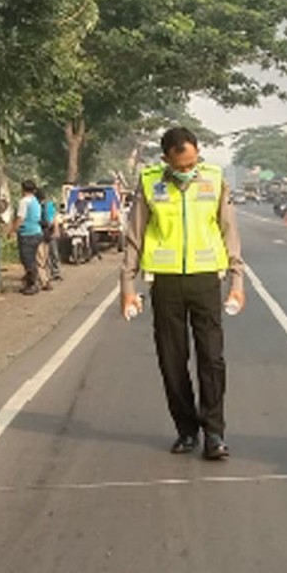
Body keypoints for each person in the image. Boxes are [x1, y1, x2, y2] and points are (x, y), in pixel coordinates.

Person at [121, 127, 246, 460]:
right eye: (181, 165)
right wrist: (127, 286)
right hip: (165, 282)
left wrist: (237, 281)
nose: (189, 170)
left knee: (212, 358)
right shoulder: (149, 182)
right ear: (166, 160)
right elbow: (134, 237)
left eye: (193, 162)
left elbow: (229, 229)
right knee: (172, 360)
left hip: (206, 280)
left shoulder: (215, 178)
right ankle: (187, 430)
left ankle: (215, 433)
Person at [7, 180, 46, 295]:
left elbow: (20, 218)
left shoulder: (24, 202)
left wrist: (12, 230)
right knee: (31, 260)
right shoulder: (35, 201)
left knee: (28, 261)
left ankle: (33, 284)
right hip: (37, 233)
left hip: (27, 234)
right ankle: (30, 283)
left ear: (22, 189)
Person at [35, 187, 63, 283]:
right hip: (42, 231)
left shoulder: (49, 205)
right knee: (44, 255)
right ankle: (46, 275)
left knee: (52, 253)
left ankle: (55, 273)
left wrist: (56, 229)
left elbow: (54, 217)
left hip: (48, 231)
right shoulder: (37, 206)